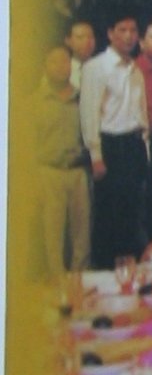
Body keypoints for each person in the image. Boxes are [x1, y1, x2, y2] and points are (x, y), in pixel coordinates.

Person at [79, 12, 149, 264]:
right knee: (109, 215)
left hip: (133, 145)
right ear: (110, 33)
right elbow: (89, 113)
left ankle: (130, 270)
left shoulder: (135, 68)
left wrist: (145, 149)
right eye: (123, 30)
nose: (129, 36)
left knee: (133, 212)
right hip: (110, 146)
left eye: (133, 30)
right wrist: (96, 155)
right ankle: (107, 271)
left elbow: (142, 113)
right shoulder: (96, 67)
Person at [37, 47, 92, 279]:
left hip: (78, 170)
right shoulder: (35, 101)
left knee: (82, 231)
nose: (61, 67)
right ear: (45, 66)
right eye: (55, 62)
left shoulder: (83, 99)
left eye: (65, 61)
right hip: (49, 172)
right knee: (53, 231)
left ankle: (81, 279)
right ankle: (56, 281)